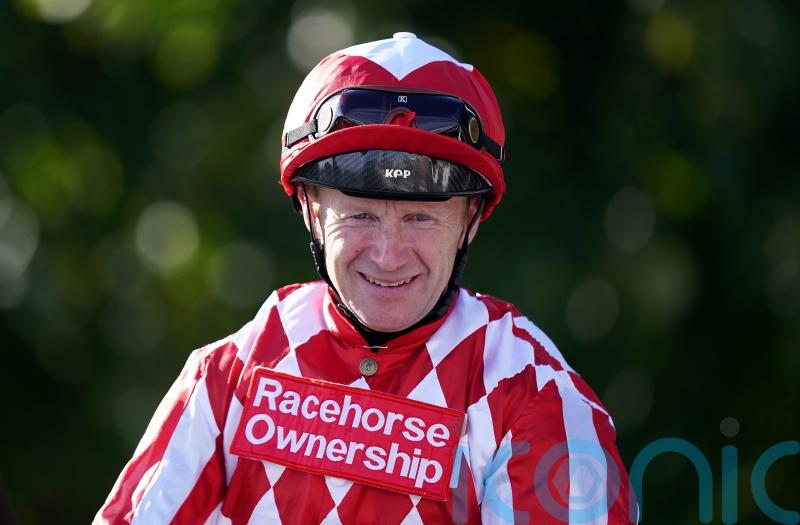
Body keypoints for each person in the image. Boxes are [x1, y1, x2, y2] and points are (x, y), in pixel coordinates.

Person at [95, 33, 637, 524]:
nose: (387, 255)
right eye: (360, 215)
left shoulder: (532, 395)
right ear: (310, 208)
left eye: (420, 217)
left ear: (471, 220)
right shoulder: (227, 375)